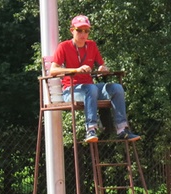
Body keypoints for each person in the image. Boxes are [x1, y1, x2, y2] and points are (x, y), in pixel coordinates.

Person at [49, 15, 140, 143]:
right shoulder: (64, 46)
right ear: (72, 30)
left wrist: (103, 68)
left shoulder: (92, 45)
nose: (83, 34)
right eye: (79, 30)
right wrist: (76, 70)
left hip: (91, 89)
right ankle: (90, 129)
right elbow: (53, 70)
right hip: (71, 91)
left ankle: (122, 129)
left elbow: (101, 65)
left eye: (86, 31)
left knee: (117, 88)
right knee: (90, 89)